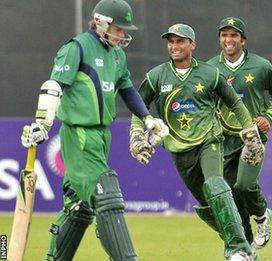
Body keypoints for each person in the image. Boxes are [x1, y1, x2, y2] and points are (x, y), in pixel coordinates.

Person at [20, 0, 169, 260]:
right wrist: (43, 123)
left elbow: (127, 89)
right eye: (119, 28)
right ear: (101, 22)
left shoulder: (117, 55)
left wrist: (147, 118)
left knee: (78, 208)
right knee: (106, 193)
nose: (123, 35)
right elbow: (54, 85)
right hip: (79, 134)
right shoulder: (76, 48)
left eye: (125, 30)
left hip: (103, 136)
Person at [129, 23, 263, 261]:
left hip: (209, 140)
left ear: (192, 44)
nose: (174, 46)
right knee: (210, 207)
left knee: (215, 186)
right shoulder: (156, 76)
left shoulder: (210, 74)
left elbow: (235, 103)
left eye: (180, 41)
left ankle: (237, 250)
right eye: (171, 41)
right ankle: (246, 249)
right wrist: (137, 135)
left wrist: (250, 132)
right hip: (179, 150)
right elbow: (138, 107)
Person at [207, 17, 272, 249]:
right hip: (223, 140)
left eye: (233, 35)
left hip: (252, 139)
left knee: (244, 185)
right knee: (230, 196)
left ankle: (262, 216)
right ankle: (245, 246)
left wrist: (269, 117)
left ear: (243, 39)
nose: (228, 40)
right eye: (224, 35)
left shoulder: (261, 66)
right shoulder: (210, 68)